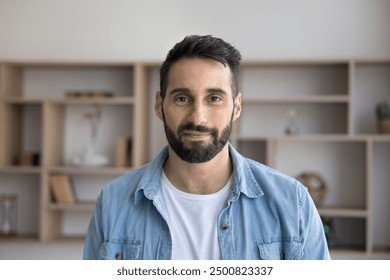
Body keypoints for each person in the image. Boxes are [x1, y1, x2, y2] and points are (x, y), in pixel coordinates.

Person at [83, 35, 330, 260]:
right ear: (159, 105)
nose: (198, 117)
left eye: (214, 98)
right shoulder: (113, 203)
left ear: (236, 107)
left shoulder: (292, 203)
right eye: (182, 98)